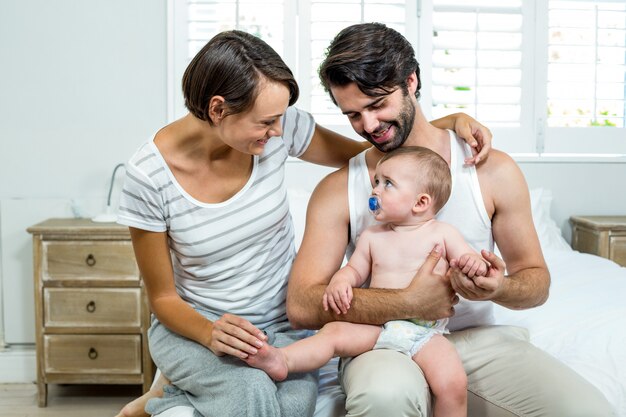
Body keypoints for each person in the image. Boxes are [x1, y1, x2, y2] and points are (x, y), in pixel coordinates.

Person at [113, 29, 493, 417]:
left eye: (281, 118)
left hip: (280, 326)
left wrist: (448, 122)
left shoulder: (278, 129)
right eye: (267, 122)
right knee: (250, 391)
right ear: (217, 110)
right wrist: (212, 334)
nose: (279, 132)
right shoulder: (148, 177)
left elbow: (373, 148)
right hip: (199, 327)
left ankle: (170, 398)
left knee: (296, 403)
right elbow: (161, 299)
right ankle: (172, 393)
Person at [287, 22, 616, 417]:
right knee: (384, 398)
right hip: (381, 342)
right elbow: (303, 305)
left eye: (377, 105)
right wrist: (404, 302)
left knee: (588, 410)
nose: (369, 126)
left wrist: (498, 289)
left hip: (478, 342)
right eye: (353, 115)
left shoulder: (491, 171)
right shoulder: (339, 188)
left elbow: (536, 281)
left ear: (411, 81)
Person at [246, 146, 489, 417]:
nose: (375, 190)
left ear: (420, 203)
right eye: (376, 182)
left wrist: (474, 263)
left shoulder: (443, 234)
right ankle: (284, 359)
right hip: (378, 326)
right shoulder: (372, 236)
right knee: (333, 335)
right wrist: (340, 280)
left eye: (388, 184)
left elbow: (467, 258)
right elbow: (354, 270)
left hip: (424, 333)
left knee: (453, 383)